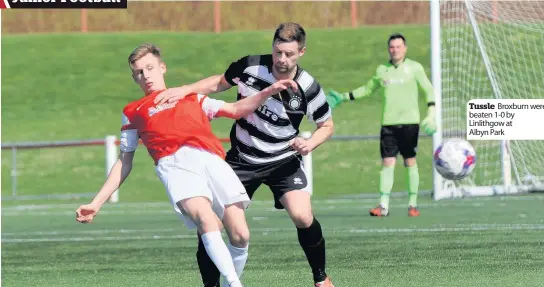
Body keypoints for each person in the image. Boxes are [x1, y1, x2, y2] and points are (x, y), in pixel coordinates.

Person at [75, 43, 299, 287]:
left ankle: (229, 283)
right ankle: (235, 283)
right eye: (139, 72)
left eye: (149, 68)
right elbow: (124, 161)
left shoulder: (192, 97)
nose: (146, 75)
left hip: (211, 160)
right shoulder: (133, 112)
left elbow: (235, 109)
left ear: (162, 67)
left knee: (241, 235)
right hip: (174, 165)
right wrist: (96, 203)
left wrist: (269, 90)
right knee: (207, 220)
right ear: (134, 78)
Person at [154, 22, 335, 287]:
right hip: (242, 160)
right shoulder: (251, 67)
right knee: (212, 222)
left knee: (303, 215)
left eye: (289, 54)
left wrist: (310, 143)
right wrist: (184, 90)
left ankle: (320, 278)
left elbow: (327, 125)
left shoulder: (308, 88)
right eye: (278, 52)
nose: (282, 59)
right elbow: (219, 82)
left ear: (302, 52)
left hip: (282, 160)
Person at [326, 33, 436, 217]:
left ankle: (412, 204)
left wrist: (431, 114)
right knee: (387, 163)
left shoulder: (415, 68)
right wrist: (344, 97)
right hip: (388, 124)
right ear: (389, 49)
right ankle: (383, 206)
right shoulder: (381, 70)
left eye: (398, 46)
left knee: (410, 161)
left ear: (405, 48)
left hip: (410, 123)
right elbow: (367, 89)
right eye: (392, 47)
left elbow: (428, 90)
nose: (395, 50)